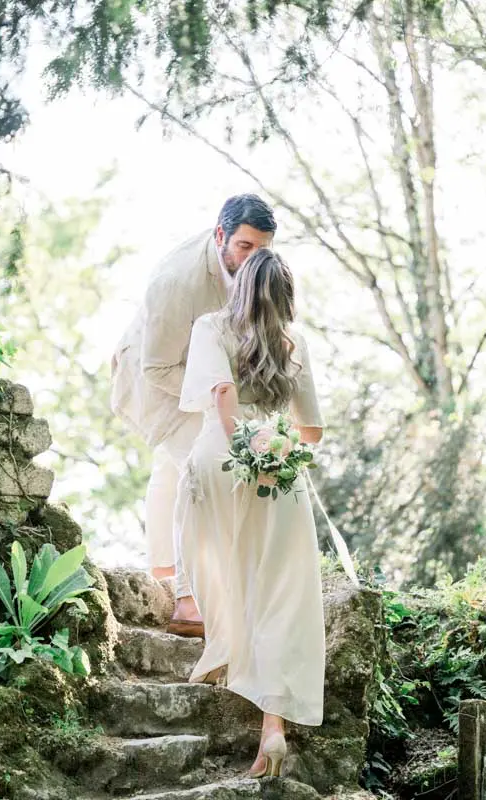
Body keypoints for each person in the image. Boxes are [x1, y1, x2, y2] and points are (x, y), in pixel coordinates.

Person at [174, 248, 328, 777]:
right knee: (281, 592)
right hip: (279, 473)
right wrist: (273, 450)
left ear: (238, 285)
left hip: (224, 458)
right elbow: (311, 432)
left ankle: (223, 649)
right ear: (288, 296)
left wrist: (243, 446)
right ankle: (273, 726)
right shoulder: (293, 341)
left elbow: (220, 394)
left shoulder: (212, 326)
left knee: (212, 551)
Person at [110, 195, 276, 637]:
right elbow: (158, 367)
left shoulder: (255, 264)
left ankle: (163, 571)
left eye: (261, 248)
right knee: (200, 470)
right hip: (158, 378)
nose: (253, 258)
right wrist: (223, 394)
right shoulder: (177, 281)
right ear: (220, 235)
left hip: (202, 376)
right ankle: (188, 601)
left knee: (171, 470)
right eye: (244, 247)